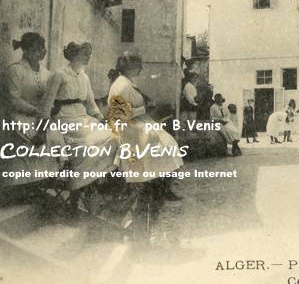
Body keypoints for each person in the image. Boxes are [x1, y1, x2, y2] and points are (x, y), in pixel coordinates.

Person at [41, 42, 118, 198]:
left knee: (114, 138)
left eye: (89, 54)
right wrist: (43, 123)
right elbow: (47, 102)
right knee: (90, 144)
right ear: (74, 55)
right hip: (65, 120)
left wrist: (100, 118)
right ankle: (77, 181)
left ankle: (94, 179)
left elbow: (90, 103)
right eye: (85, 54)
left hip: (83, 118)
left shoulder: (84, 77)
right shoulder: (59, 75)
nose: (88, 57)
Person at [107, 51, 183, 201]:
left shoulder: (128, 83)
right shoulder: (121, 85)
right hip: (126, 127)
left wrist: (146, 107)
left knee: (166, 142)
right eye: (138, 65)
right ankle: (157, 187)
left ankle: (160, 186)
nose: (141, 68)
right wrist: (145, 109)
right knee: (158, 141)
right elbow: (119, 114)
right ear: (132, 66)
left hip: (136, 122)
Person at [0, 33, 60, 187]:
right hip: (18, 115)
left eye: (42, 48)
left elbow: (49, 99)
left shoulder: (46, 73)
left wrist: (48, 109)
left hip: (39, 117)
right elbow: (13, 100)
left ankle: (41, 183)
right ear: (26, 50)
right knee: (28, 139)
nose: (41, 52)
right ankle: (18, 186)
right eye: (36, 49)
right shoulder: (15, 70)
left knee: (53, 136)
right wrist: (36, 111)